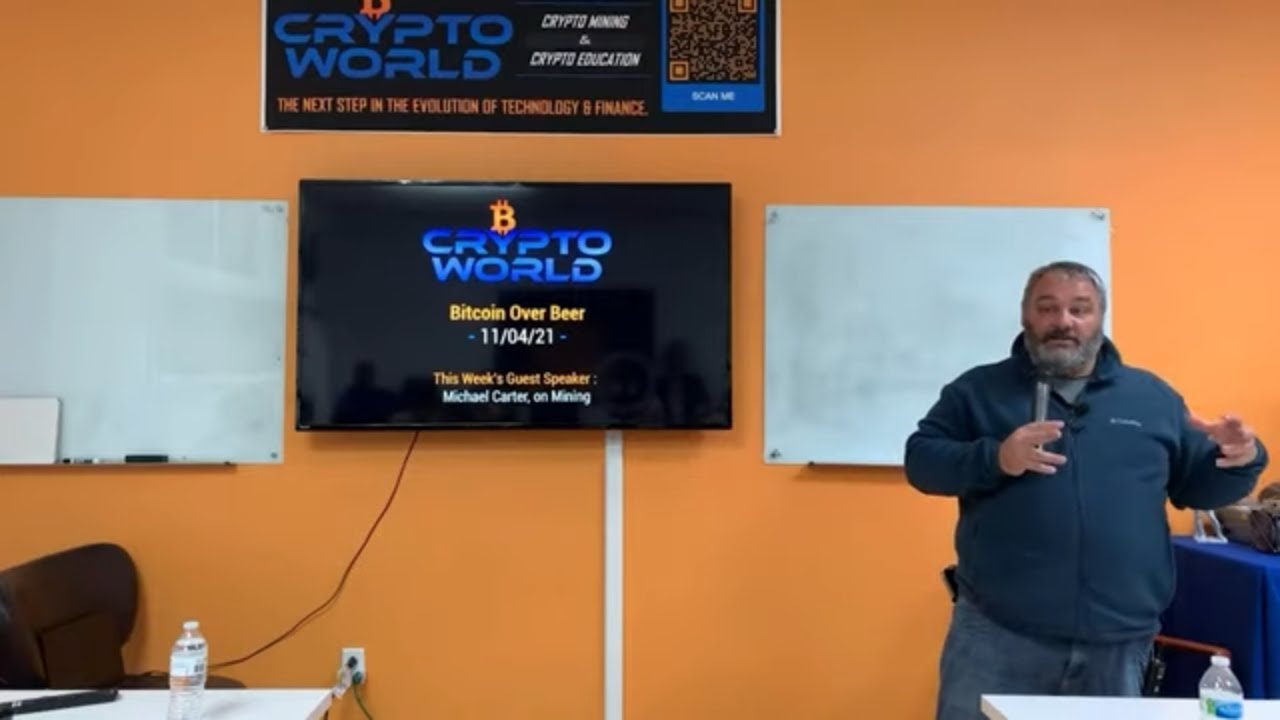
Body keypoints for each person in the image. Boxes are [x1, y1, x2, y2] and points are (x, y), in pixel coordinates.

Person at [903, 260, 1268, 720]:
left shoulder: (1150, 397)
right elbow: (922, 461)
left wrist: (1242, 458)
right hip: (998, 634)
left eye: (1080, 309)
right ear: (1026, 316)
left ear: (1100, 317)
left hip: (1118, 642)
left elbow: (1198, 487)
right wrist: (996, 458)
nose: (1064, 321)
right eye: (1047, 308)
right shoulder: (978, 390)